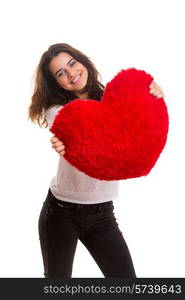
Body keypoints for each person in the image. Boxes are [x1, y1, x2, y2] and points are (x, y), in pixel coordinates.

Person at [28, 43, 164, 278]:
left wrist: (150, 96)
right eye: (61, 73)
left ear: (82, 61)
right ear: (56, 82)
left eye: (72, 63)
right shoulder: (58, 111)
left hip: (103, 215)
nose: (71, 74)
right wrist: (68, 144)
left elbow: (133, 132)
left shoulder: (112, 98)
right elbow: (87, 140)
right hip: (61, 213)